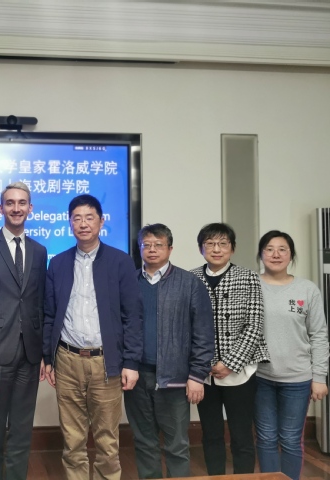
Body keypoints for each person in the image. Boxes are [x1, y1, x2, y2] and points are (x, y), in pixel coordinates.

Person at [43, 194, 142, 480]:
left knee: (107, 440)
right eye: (77, 218)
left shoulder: (120, 262)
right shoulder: (58, 263)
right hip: (67, 360)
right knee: (72, 440)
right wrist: (48, 358)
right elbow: (49, 314)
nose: (83, 224)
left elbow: (133, 316)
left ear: (101, 221)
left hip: (105, 361)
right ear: (69, 223)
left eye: (89, 217)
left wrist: (131, 362)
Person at [0, 182, 48, 480]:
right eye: (10, 203)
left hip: (30, 354)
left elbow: (39, 303)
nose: (17, 208)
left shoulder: (40, 251)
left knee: (22, 429)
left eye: (22, 203)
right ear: (1, 208)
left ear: (30, 208)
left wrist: (44, 353)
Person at [124, 223, 214, 479]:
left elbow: (203, 333)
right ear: (140, 248)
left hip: (175, 378)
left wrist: (197, 375)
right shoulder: (129, 282)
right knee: (144, 441)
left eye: (159, 245)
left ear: (170, 249)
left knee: (176, 445)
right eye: (147, 245)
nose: (152, 250)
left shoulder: (189, 283)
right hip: (137, 376)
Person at [190, 222, 270, 475]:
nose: (216, 249)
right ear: (201, 248)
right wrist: (205, 363)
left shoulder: (248, 277)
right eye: (210, 244)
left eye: (223, 244)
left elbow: (255, 325)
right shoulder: (191, 278)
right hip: (204, 372)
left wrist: (230, 363)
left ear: (232, 249)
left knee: (241, 434)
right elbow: (186, 327)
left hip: (240, 371)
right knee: (211, 434)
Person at [254, 230, 329, 480]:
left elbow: (319, 335)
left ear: (291, 254)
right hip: (259, 376)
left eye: (282, 249)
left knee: (290, 438)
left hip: (298, 378)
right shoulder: (251, 285)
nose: (276, 254)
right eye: (269, 249)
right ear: (261, 254)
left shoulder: (307, 289)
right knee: (265, 437)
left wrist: (319, 377)